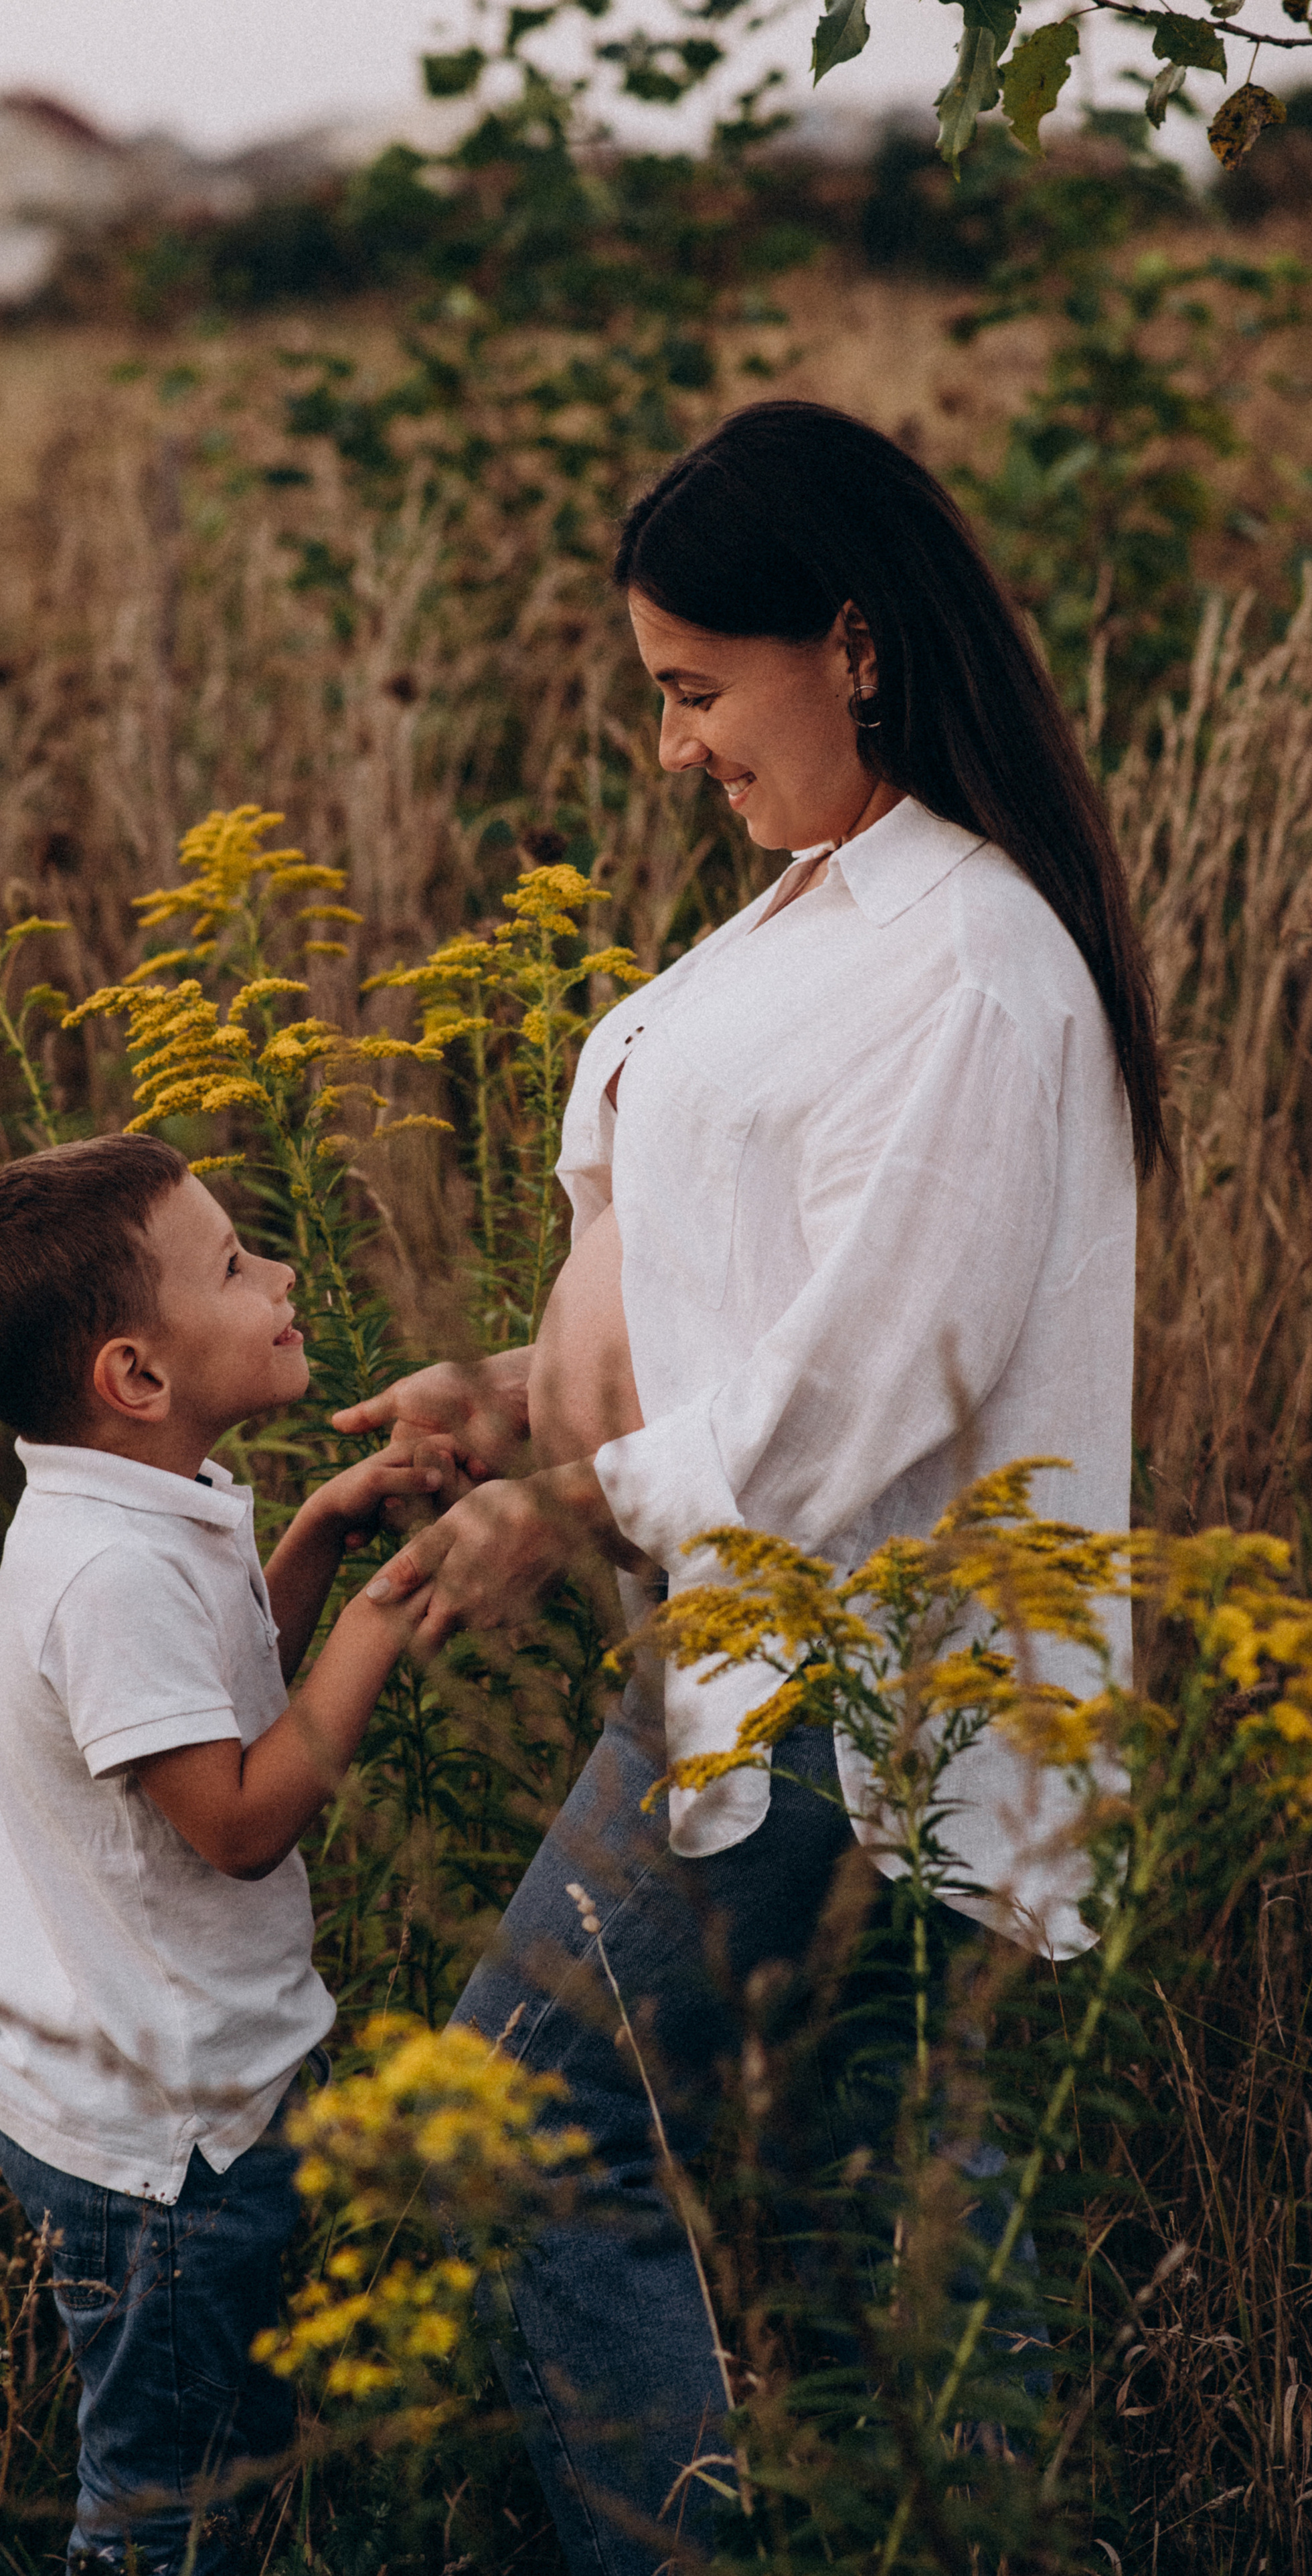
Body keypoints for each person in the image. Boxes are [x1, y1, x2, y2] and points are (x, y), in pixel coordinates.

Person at [340, 399, 1163, 2574]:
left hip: (859, 1669)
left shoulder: (974, 961)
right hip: (765, 1644)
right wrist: (508, 1391)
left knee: (532, 2113)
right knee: (884, 2254)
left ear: (857, 641)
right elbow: (758, 1294)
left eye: (700, 689)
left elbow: (876, 1376)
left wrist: (571, 1498)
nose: (678, 746)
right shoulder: (835, 910)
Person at [0, 1134, 441, 2576]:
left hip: (169, 2098)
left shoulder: (153, 1495)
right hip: (157, 2158)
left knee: (224, 2453)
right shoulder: (106, 1574)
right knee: (168, 2515)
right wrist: (385, 1617)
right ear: (133, 1377)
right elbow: (231, 1820)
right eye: (232, 1264)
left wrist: (327, 1538)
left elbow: (210, 1715)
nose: (277, 1274)